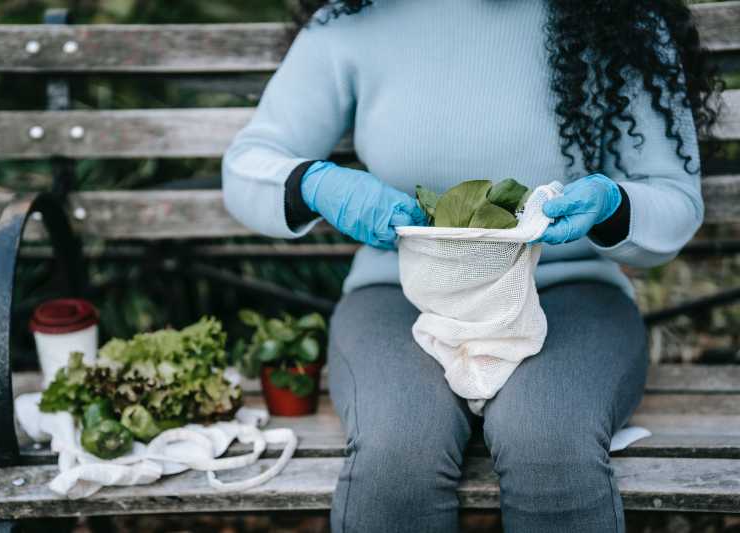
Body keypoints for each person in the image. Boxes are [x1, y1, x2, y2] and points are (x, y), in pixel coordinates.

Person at [222, 1, 722, 531]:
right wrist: (314, 184)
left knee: (550, 440)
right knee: (398, 450)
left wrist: (614, 205)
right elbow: (249, 163)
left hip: (567, 291)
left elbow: (674, 196)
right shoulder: (351, 21)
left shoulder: (623, 19)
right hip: (400, 295)